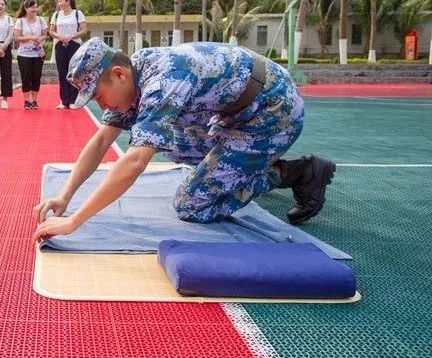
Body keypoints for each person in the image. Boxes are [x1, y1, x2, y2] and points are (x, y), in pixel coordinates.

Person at [32, 37, 336, 242]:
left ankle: (291, 173)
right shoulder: (135, 74)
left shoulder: (163, 80)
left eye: (98, 95)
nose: (101, 105)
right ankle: (243, 165)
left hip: (273, 112)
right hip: (236, 114)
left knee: (192, 204)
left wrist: (74, 222)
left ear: (119, 74)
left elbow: (135, 162)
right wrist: (65, 196)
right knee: (173, 143)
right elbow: (101, 141)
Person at [48, 0, 87, 109]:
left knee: (74, 72)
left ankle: (73, 100)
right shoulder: (56, 15)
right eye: (58, 1)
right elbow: (51, 31)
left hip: (74, 44)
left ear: (68, 1)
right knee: (62, 73)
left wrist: (71, 36)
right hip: (60, 45)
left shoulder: (77, 13)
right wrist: (60, 36)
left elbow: (84, 30)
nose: (59, 3)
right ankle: (64, 101)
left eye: (61, 1)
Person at [13, 0, 47, 110]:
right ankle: (27, 101)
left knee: (36, 77)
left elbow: (45, 35)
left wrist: (40, 39)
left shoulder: (41, 20)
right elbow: (17, 38)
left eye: (36, 7)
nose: (34, 9)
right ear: (26, 8)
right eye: (32, 7)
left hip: (38, 54)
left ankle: (35, 101)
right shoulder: (20, 21)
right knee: (26, 77)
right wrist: (30, 37)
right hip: (24, 54)